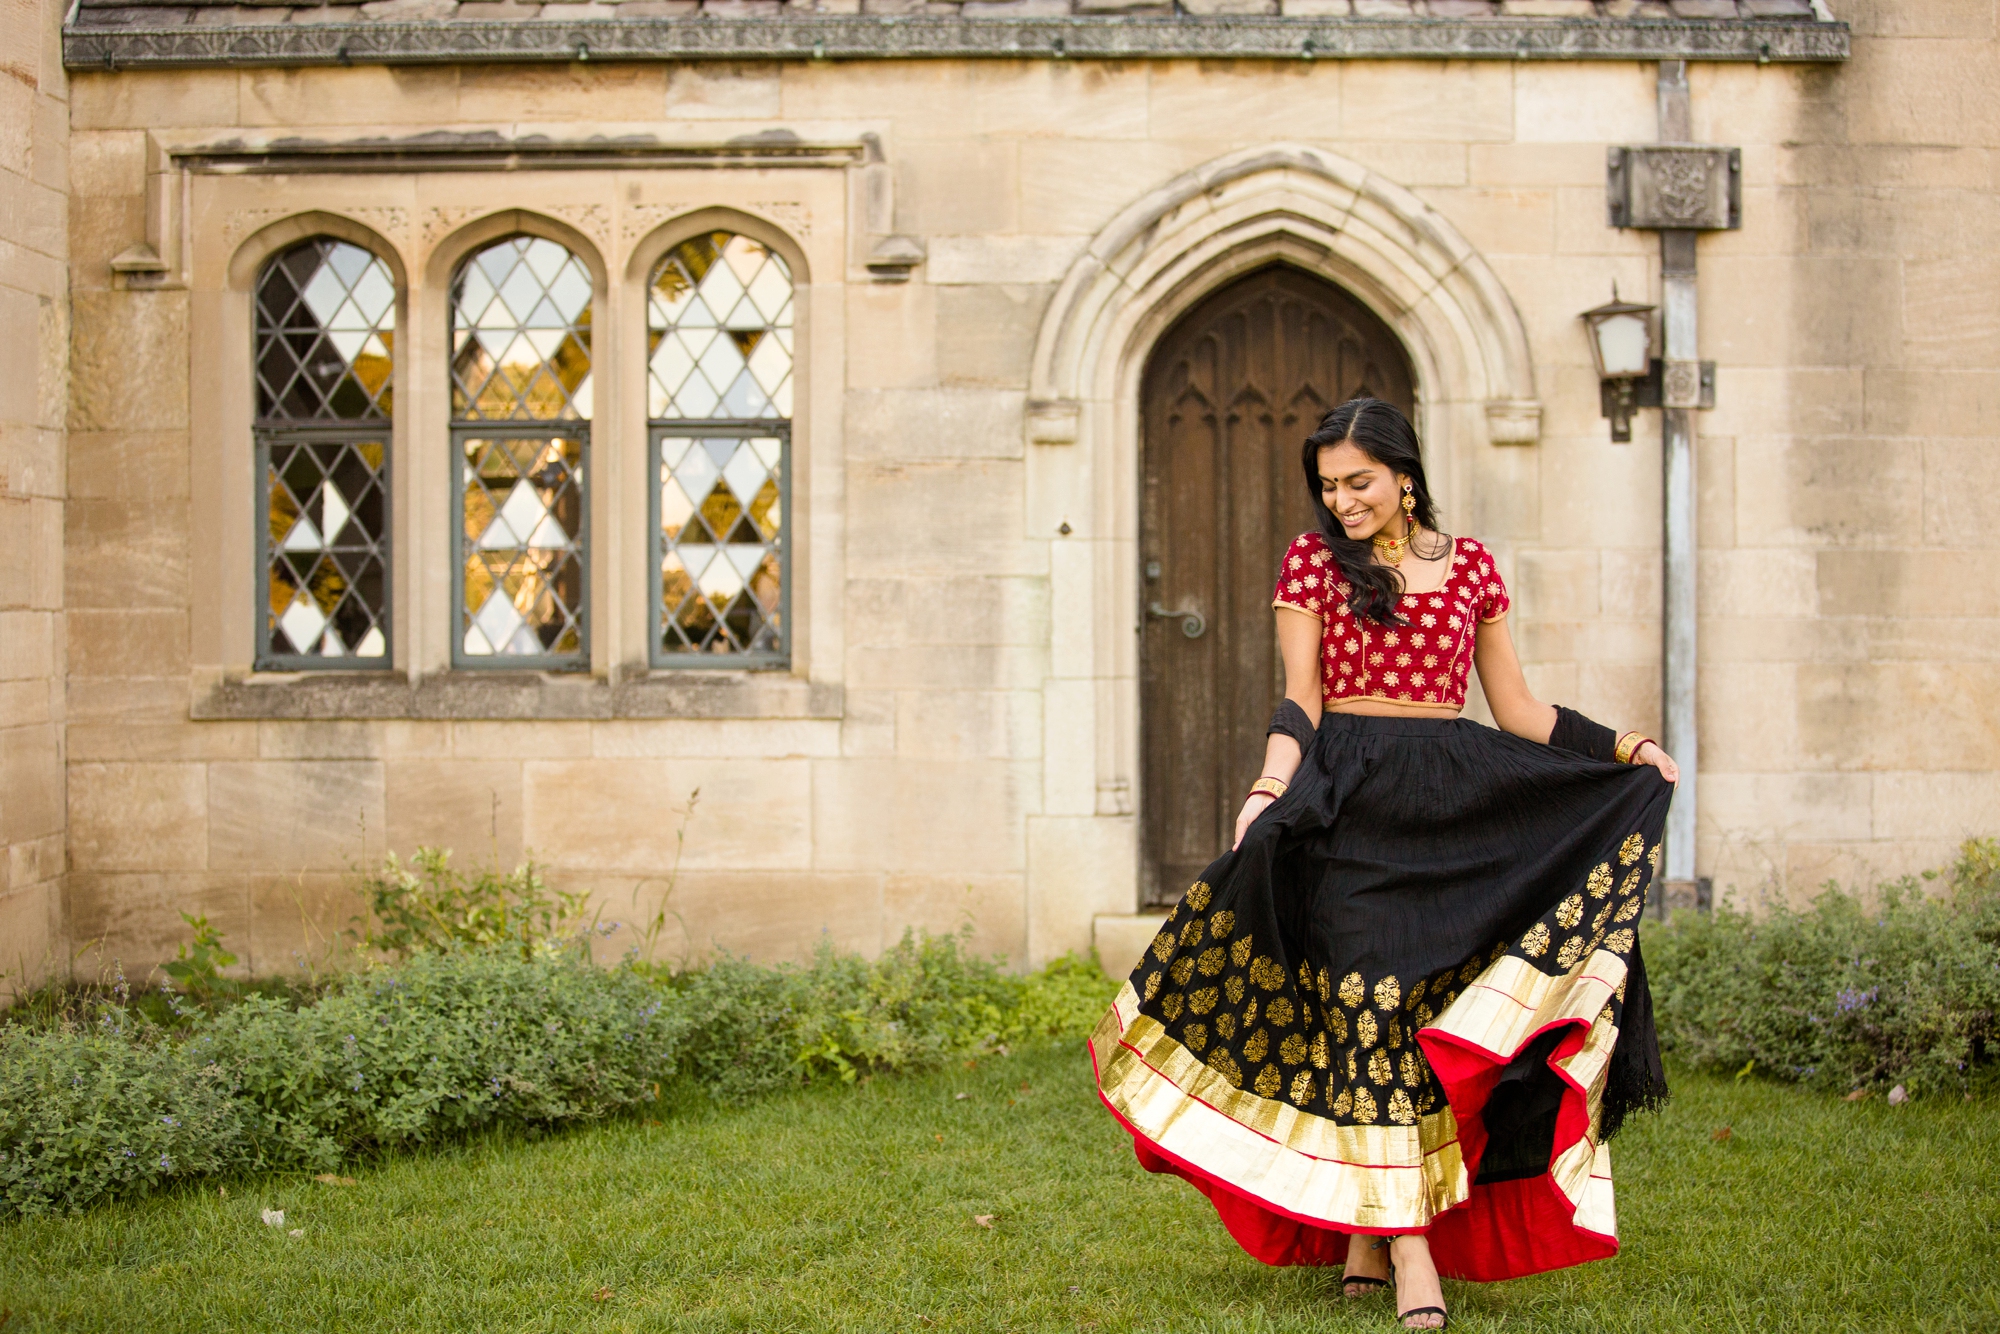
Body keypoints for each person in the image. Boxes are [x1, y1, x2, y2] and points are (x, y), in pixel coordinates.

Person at [1091, 398, 1679, 1331]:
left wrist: (1624, 749)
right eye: (1328, 486)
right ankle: (1411, 1249)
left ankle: (1368, 1228)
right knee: (1364, 1001)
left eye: (1357, 481)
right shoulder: (1312, 562)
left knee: (1413, 1018)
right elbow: (1300, 702)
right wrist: (1265, 787)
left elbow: (1518, 708)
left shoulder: (1472, 566)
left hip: (1452, 807)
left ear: (1405, 473)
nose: (1342, 501)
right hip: (1347, 804)